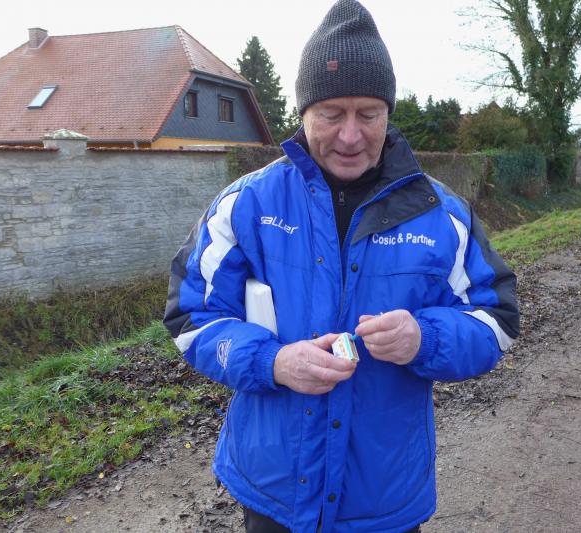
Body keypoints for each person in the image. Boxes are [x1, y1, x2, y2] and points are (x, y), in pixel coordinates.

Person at [163, 1, 519, 531]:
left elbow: (498, 321)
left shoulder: (443, 215)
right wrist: (273, 362)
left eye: (368, 114)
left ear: (388, 114)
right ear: (303, 114)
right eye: (331, 114)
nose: (351, 136)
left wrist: (424, 338)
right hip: (274, 490)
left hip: (384, 497)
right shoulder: (246, 205)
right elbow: (191, 318)